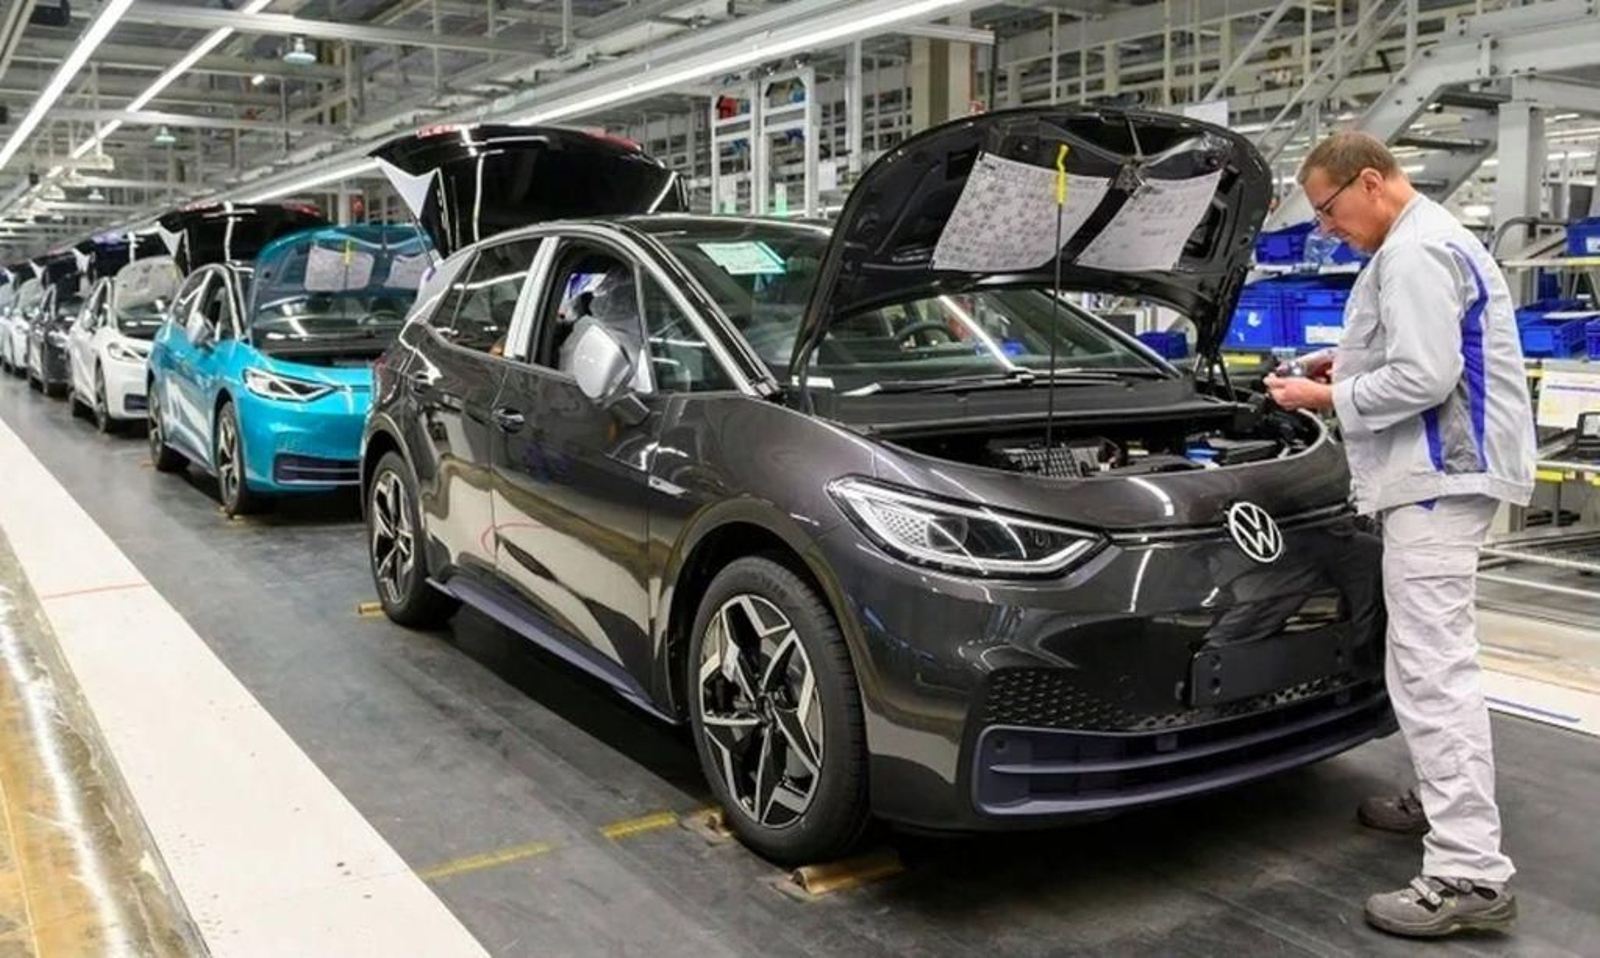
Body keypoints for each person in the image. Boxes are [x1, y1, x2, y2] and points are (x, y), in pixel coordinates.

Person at [1263, 131, 1534, 939]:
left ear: (1370, 182)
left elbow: (1426, 376)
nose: (1328, 227)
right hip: (1441, 478)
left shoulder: (1416, 252)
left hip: (1440, 479)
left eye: (1329, 209)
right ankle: (1439, 799)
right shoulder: (1425, 240)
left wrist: (1325, 402)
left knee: (1431, 670)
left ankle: (1469, 874)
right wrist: (1342, 364)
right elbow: (1414, 353)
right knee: (1421, 660)